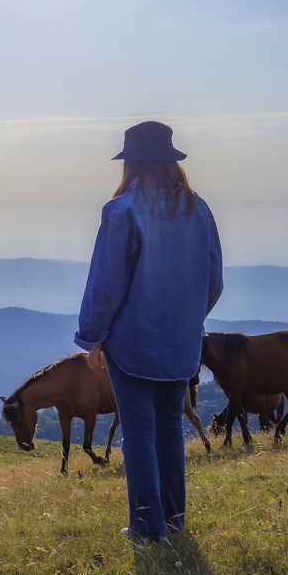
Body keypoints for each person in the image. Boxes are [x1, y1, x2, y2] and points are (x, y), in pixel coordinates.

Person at [74, 121, 223, 542]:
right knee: (171, 429)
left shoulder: (120, 210)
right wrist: (189, 321)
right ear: (172, 162)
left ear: (132, 162)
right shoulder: (200, 209)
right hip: (181, 344)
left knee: (138, 434)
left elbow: (105, 285)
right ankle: (174, 522)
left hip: (132, 344)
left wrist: (93, 339)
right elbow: (214, 282)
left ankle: (145, 527)